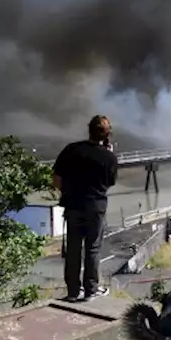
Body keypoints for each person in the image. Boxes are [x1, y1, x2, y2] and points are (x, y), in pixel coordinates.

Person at [53, 115, 119, 302]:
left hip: (73, 206)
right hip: (96, 208)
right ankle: (91, 290)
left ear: (88, 129)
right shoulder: (109, 157)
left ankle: (73, 291)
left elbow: (57, 179)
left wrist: (70, 192)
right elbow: (110, 182)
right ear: (107, 135)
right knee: (93, 249)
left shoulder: (71, 150)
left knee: (73, 249)